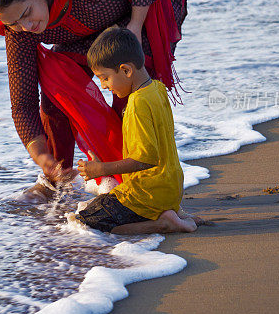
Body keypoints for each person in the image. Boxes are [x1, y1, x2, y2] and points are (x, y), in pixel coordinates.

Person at [0, 0, 188, 200]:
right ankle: (58, 179)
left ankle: (141, 181)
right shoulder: (19, 29)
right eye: (13, 23)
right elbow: (22, 102)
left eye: (27, 14)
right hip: (89, 24)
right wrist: (42, 156)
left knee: (129, 89)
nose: (26, 27)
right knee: (58, 95)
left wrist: (135, 24)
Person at [76, 27, 198, 234]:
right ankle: (170, 212)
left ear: (126, 70)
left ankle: (163, 223)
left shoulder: (137, 103)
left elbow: (146, 159)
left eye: (105, 77)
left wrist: (101, 169)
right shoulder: (157, 89)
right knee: (97, 209)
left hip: (147, 193)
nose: (104, 86)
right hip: (170, 187)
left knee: (86, 221)